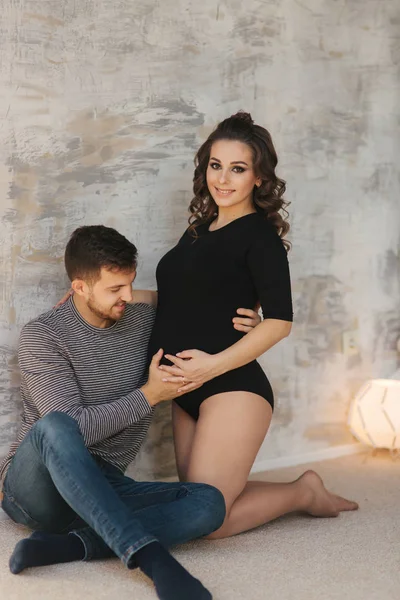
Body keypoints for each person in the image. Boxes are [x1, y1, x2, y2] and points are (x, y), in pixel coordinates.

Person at [0, 225, 259, 600]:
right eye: (115, 289)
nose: (128, 297)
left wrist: (252, 323)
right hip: (37, 489)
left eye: (131, 284)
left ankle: (69, 547)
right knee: (57, 425)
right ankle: (152, 559)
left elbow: (192, 306)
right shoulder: (43, 336)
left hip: (103, 484)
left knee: (210, 502)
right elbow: (77, 430)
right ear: (80, 287)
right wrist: (149, 395)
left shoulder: (139, 319)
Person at [145, 111, 359, 539]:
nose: (223, 178)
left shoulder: (259, 237)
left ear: (259, 177)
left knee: (207, 522)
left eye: (237, 168)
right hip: (185, 388)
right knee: (196, 502)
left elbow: (279, 322)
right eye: (215, 165)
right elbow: (176, 300)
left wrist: (208, 367)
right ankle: (299, 490)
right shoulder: (198, 231)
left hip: (230, 387)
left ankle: (303, 494)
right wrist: (106, 295)